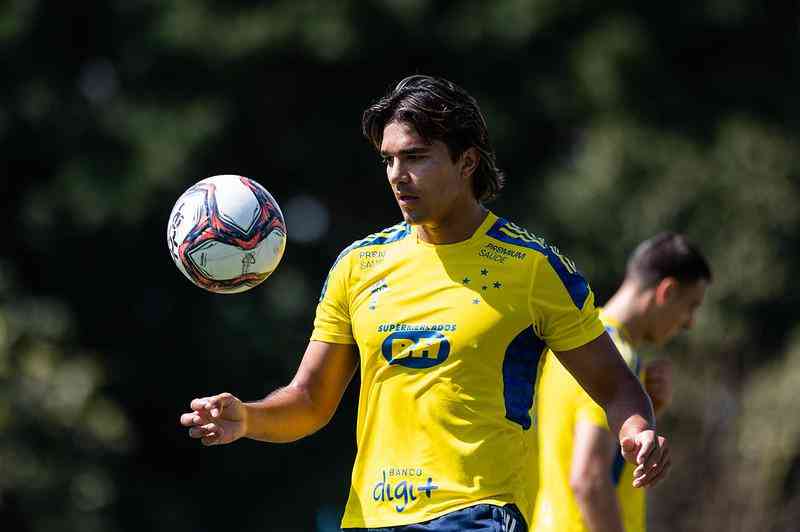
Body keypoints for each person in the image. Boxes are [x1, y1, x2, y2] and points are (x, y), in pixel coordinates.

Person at [179, 75, 670, 531]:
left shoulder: (533, 269)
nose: (397, 175)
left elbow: (615, 386)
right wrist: (247, 417)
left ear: (467, 161)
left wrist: (637, 429)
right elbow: (309, 400)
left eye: (415, 157)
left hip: (479, 514)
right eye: (389, 159)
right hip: (370, 518)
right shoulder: (358, 265)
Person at [532, 233, 711, 532]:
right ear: (666, 291)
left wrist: (648, 411)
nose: (690, 322)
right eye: (691, 306)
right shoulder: (614, 358)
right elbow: (588, 478)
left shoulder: (576, 345)